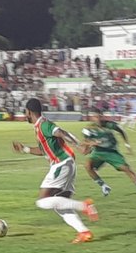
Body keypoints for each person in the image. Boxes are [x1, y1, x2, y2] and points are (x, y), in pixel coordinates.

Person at [12, 98, 98, 243]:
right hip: (66, 164)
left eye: (25, 112)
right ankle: (84, 232)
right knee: (60, 205)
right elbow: (43, 151)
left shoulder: (44, 124)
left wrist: (79, 145)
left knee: (43, 201)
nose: (24, 115)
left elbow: (61, 132)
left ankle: (84, 206)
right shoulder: (39, 127)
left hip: (61, 164)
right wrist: (24, 149)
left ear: (29, 112)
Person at [81, 107, 136, 198]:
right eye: (95, 117)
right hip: (98, 152)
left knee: (126, 169)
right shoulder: (88, 129)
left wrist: (127, 145)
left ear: (102, 116)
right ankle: (103, 186)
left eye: (99, 116)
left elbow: (122, 131)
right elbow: (84, 141)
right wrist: (90, 144)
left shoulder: (110, 125)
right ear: (92, 118)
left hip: (111, 152)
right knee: (87, 165)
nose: (97, 118)